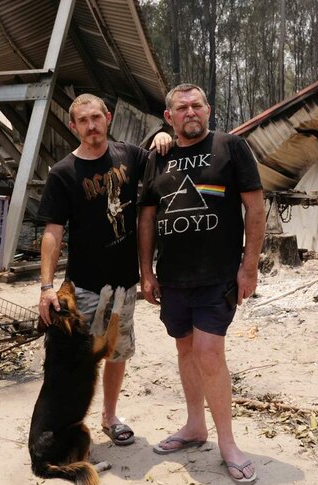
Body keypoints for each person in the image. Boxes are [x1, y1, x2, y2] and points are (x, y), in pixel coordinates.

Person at [138, 84, 265, 484]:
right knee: (186, 350)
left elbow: (255, 208)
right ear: (169, 117)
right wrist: (146, 270)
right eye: (182, 107)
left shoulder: (231, 147)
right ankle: (195, 426)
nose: (190, 111)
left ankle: (227, 442)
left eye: (197, 105)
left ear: (208, 110)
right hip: (173, 277)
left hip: (218, 276)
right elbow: (146, 219)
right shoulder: (157, 158)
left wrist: (249, 267)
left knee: (210, 353)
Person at [37, 93, 171, 447]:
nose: (92, 126)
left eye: (96, 117)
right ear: (74, 126)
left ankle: (110, 417)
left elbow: (161, 160)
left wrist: (162, 136)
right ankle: (65, 427)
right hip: (82, 287)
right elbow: (53, 231)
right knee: (74, 360)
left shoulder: (130, 155)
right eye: (84, 120)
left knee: (116, 353)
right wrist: (46, 287)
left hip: (124, 284)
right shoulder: (63, 173)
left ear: (107, 117)